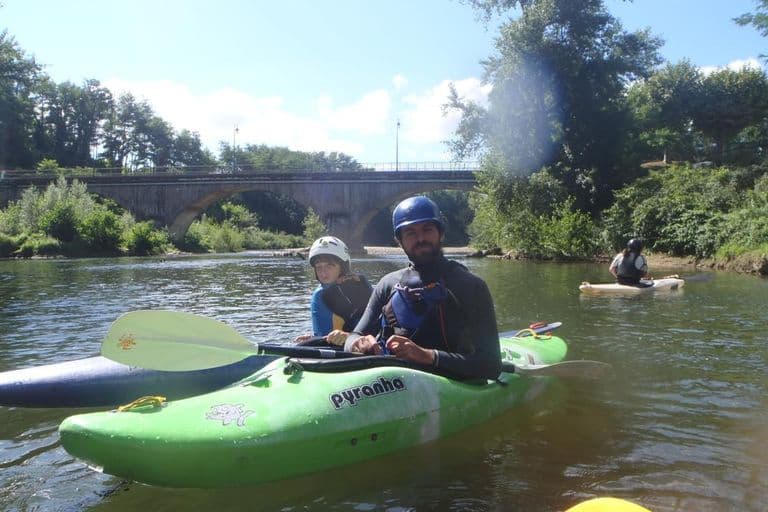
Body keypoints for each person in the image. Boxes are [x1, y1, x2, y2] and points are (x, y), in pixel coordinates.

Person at [344, 196, 501, 381]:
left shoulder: (470, 286)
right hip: (399, 383)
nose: (420, 238)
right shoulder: (387, 285)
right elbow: (353, 336)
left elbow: (491, 366)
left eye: (427, 229)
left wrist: (427, 356)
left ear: (440, 233)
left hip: (456, 384)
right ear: (399, 240)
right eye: (410, 233)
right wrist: (357, 344)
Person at [295, 236, 373, 346]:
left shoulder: (361, 286)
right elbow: (325, 336)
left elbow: (376, 329)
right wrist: (316, 338)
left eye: (329, 266)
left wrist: (348, 337)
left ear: (343, 266)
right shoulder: (320, 294)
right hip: (335, 350)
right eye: (319, 267)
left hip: (358, 349)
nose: (323, 273)